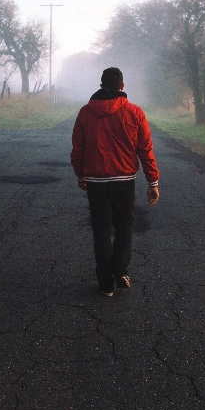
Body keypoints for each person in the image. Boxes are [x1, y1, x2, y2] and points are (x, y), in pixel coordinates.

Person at [70, 67, 160, 296]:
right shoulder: (135, 112)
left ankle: (105, 283)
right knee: (124, 226)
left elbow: (77, 149)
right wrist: (153, 182)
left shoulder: (85, 113)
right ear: (122, 86)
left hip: (96, 181)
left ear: (101, 86)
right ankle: (120, 270)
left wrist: (81, 175)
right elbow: (145, 149)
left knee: (101, 230)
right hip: (125, 181)